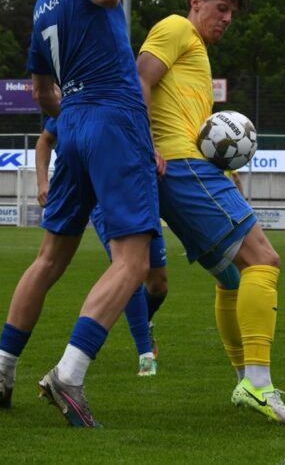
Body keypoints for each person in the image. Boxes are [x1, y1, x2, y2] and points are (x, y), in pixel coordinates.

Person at [0, 0, 162, 428]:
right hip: (113, 118)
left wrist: (77, 118)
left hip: (73, 123)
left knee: (48, 260)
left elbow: (42, 93)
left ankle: (1, 373)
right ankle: (69, 373)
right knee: (133, 261)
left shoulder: (41, 3)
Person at [137, 0, 285, 426]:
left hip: (190, 168)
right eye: (221, 8)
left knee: (232, 277)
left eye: (232, 13)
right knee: (264, 260)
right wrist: (146, 144)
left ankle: (244, 381)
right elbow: (139, 79)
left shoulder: (198, 52)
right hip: (182, 165)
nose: (227, 19)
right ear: (196, 2)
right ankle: (259, 383)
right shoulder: (176, 27)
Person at [34, 117, 168, 377]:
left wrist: (153, 150)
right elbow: (44, 140)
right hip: (103, 200)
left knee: (158, 284)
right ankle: (145, 354)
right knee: (127, 269)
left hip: (139, 193)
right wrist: (42, 183)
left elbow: (144, 124)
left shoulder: (126, 101)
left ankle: (143, 320)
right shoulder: (74, 105)